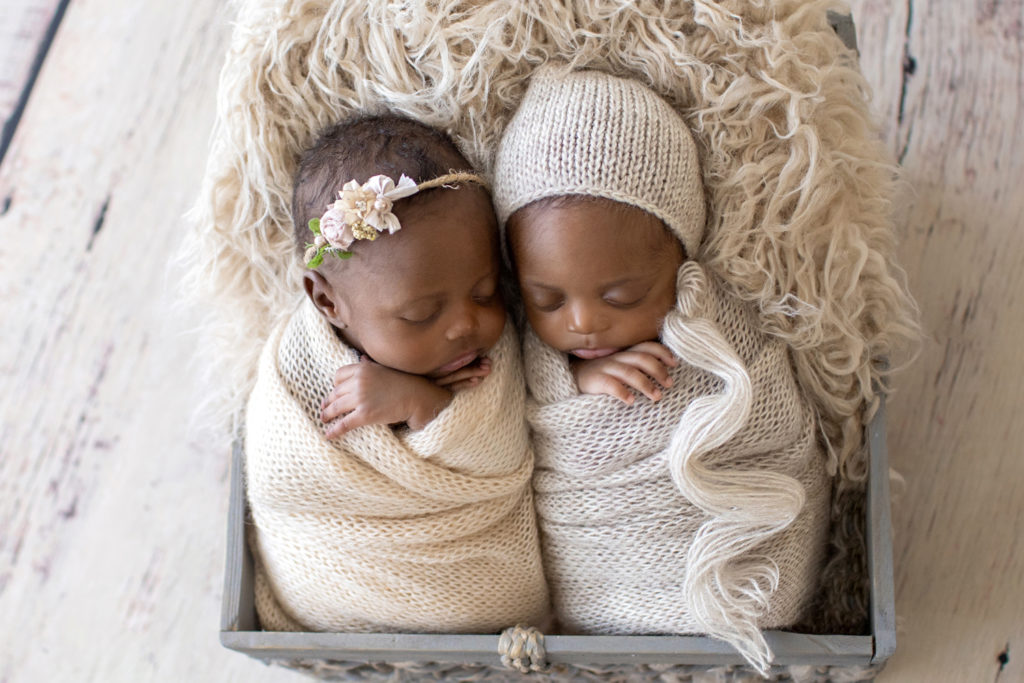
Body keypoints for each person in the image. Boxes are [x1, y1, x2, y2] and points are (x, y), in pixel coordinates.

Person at [493, 65, 830, 674]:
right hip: (597, 575)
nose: (584, 323)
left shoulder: (718, 331)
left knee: (764, 580)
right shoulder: (536, 354)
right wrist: (575, 384)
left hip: (731, 575)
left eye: (621, 297)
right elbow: (510, 414)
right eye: (547, 299)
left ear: (681, 257)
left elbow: (773, 436)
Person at [243, 115, 549, 634]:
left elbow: (502, 457)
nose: (466, 325)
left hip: (475, 586)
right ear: (327, 301)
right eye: (420, 315)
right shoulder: (295, 369)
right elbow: (281, 475)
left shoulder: (494, 358)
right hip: (338, 587)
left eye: (485, 292)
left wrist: (423, 406)